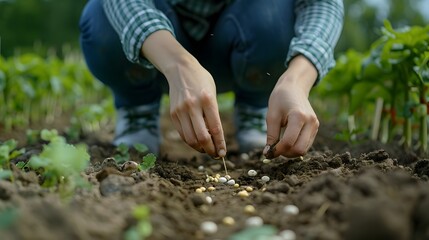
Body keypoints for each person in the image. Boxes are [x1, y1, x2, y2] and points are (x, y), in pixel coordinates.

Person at [79, 0, 344, 159]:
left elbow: (322, 4)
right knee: (101, 20)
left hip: (242, 33)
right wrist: (177, 64)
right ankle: (138, 107)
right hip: (159, 40)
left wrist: (297, 80)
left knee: (274, 15)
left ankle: (256, 104)